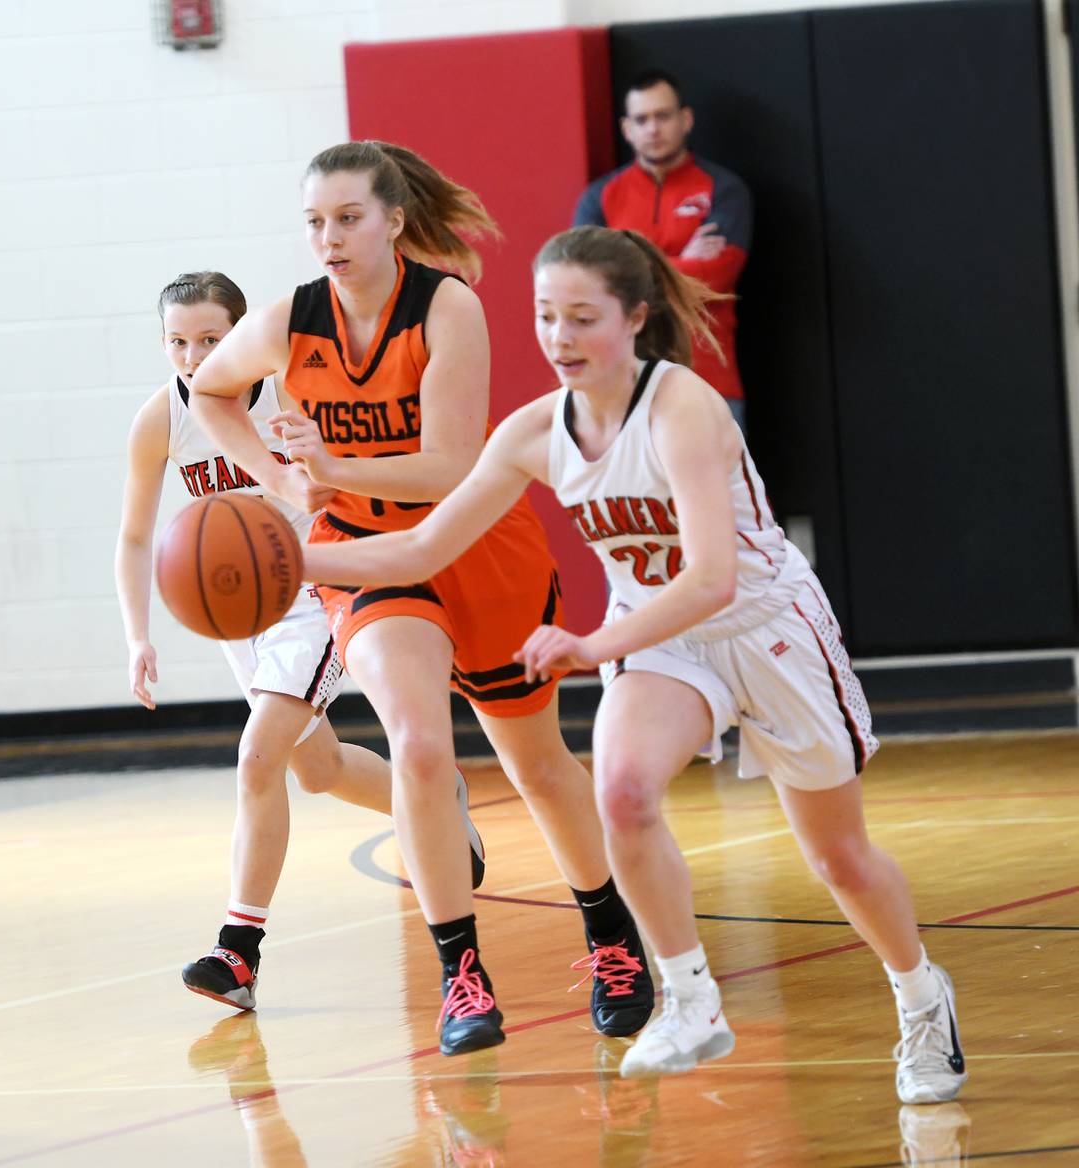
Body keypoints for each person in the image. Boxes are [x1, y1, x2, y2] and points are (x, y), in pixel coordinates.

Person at [294, 224, 965, 1105]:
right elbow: (416, 543)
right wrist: (285, 564)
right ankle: (689, 1000)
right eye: (544, 318)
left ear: (635, 319)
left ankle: (922, 998)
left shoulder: (683, 408)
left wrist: (588, 645)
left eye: (582, 319)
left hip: (765, 627)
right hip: (660, 637)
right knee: (621, 792)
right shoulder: (536, 432)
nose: (559, 339)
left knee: (838, 858)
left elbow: (713, 578)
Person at [188, 142, 654, 1056]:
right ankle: (461, 974)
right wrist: (284, 485)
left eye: (348, 218)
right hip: (366, 556)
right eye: (315, 221)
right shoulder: (290, 317)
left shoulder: (448, 306)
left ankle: (610, 935)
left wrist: (330, 463)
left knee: (536, 765)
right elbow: (208, 390)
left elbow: (447, 463)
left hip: (473, 541)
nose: (328, 237)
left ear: (395, 220)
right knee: (419, 745)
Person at [116, 270, 485, 1012]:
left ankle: (238, 951)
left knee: (258, 757)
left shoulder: (289, 396)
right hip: (242, 615)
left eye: (211, 340)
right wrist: (138, 638)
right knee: (314, 769)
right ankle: (439, 801)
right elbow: (133, 536)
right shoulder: (161, 418)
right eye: (178, 342)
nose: (194, 356)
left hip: (313, 589)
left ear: (241, 338)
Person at [573, 69, 752, 432]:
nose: (653, 129)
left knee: (717, 490)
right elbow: (585, 283)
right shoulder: (600, 198)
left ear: (685, 119)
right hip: (623, 382)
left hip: (710, 378)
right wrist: (686, 260)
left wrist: (623, 265)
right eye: (642, 119)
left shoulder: (724, 190)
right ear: (627, 129)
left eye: (663, 116)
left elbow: (716, 276)